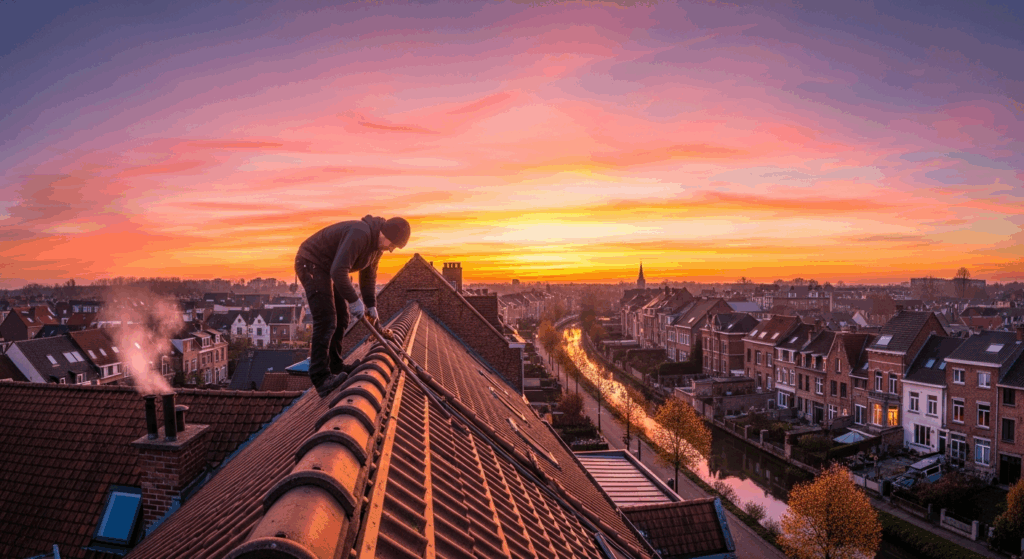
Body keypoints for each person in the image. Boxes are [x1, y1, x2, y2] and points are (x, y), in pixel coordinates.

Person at [295, 215, 410, 396]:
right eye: (393, 245)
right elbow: (338, 271)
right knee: (326, 320)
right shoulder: (360, 234)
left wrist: (371, 305)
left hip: (326, 268)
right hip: (310, 262)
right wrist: (355, 300)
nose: (391, 250)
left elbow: (368, 277)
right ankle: (321, 378)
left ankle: (335, 366)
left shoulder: (375, 248)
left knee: (342, 318)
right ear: (385, 234)